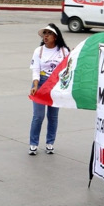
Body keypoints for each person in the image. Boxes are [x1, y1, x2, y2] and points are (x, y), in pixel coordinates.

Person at [28, 23, 70, 155]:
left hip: (55, 86)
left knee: (53, 116)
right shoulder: (38, 50)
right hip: (40, 84)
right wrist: (35, 85)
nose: (46, 36)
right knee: (38, 116)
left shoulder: (63, 51)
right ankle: (33, 144)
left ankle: (50, 143)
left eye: (49, 33)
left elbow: (68, 69)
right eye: (44, 33)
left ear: (55, 36)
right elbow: (35, 69)